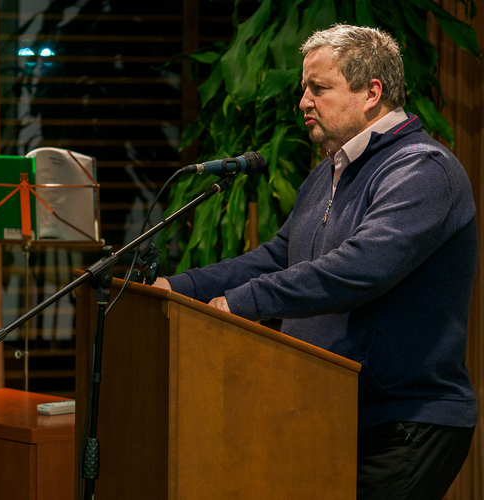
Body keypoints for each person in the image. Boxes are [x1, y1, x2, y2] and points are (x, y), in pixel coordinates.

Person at [154, 24, 477, 500]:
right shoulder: (329, 171)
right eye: (304, 88)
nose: (303, 102)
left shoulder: (420, 168)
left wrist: (240, 303)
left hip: (403, 422)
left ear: (371, 93)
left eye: (318, 88)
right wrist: (180, 288)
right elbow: (277, 258)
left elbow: (360, 268)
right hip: (330, 410)